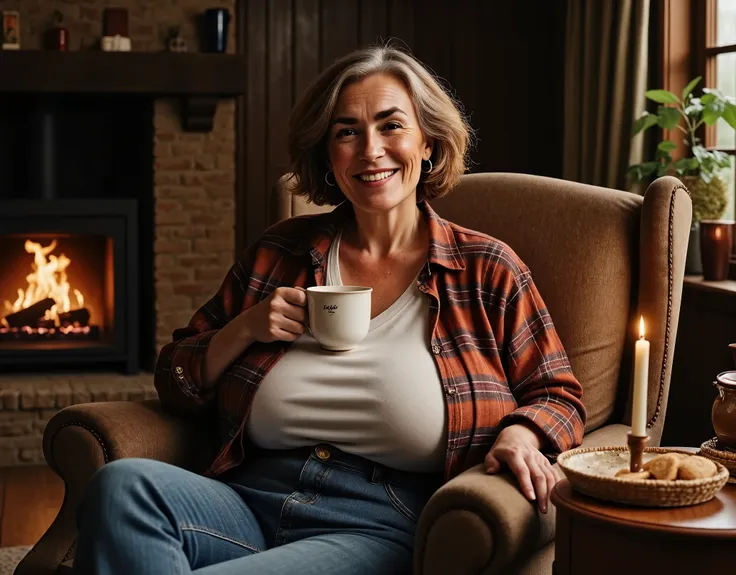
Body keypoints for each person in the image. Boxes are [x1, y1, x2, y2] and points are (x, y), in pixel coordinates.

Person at [73, 44, 586, 575]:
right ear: (327, 154)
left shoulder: (486, 269)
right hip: (248, 497)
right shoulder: (281, 253)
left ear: (428, 142)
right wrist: (246, 328)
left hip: (379, 521)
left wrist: (521, 432)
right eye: (347, 132)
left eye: (391, 127)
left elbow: (559, 393)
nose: (370, 150)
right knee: (120, 486)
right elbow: (174, 376)